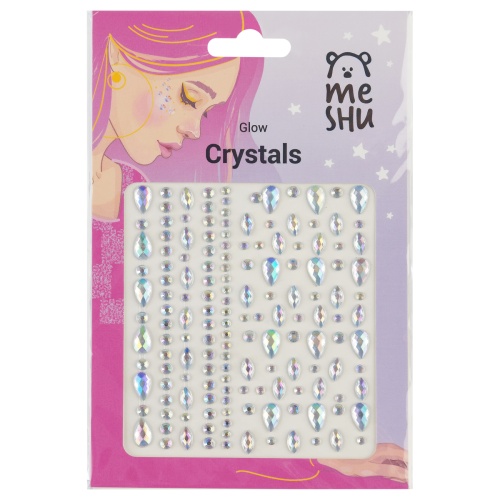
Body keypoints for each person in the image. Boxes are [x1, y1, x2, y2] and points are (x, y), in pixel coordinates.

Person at [91, 11, 263, 219]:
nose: (195, 131)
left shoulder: (135, 190)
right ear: (116, 53)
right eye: (188, 98)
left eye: (206, 113)